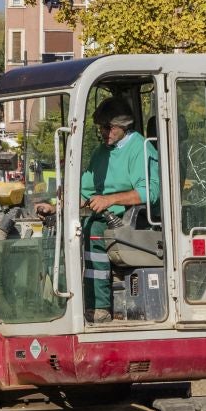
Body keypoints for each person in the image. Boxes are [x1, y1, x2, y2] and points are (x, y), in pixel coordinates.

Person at [35, 98, 162, 319]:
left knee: (92, 230)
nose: (103, 132)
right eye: (100, 127)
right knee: (65, 228)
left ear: (123, 125)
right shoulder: (102, 152)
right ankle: (62, 297)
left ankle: (100, 306)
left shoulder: (140, 148)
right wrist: (56, 208)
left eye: (108, 127)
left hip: (139, 220)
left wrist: (109, 200)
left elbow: (150, 193)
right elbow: (84, 191)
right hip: (109, 214)